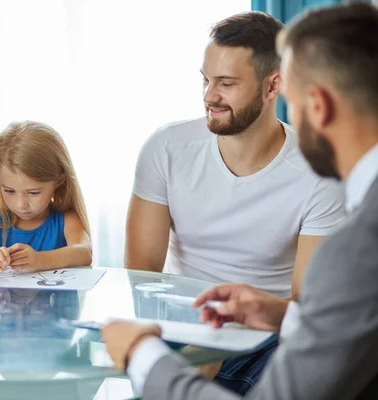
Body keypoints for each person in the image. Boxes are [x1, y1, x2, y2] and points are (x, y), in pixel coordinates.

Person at [102, 3, 378, 399]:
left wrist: (139, 352)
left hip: (264, 350)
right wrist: (281, 315)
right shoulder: (167, 148)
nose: (210, 95)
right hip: (199, 328)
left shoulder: (356, 246)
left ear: (279, 89)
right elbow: (340, 323)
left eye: (226, 83)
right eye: (206, 80)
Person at [0, 120, 92, 274]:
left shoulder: (66, 220)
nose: (21, 204)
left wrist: (39, 260)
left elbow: (84, 252)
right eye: (9, 191)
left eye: (33, 193)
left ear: (59, 181)